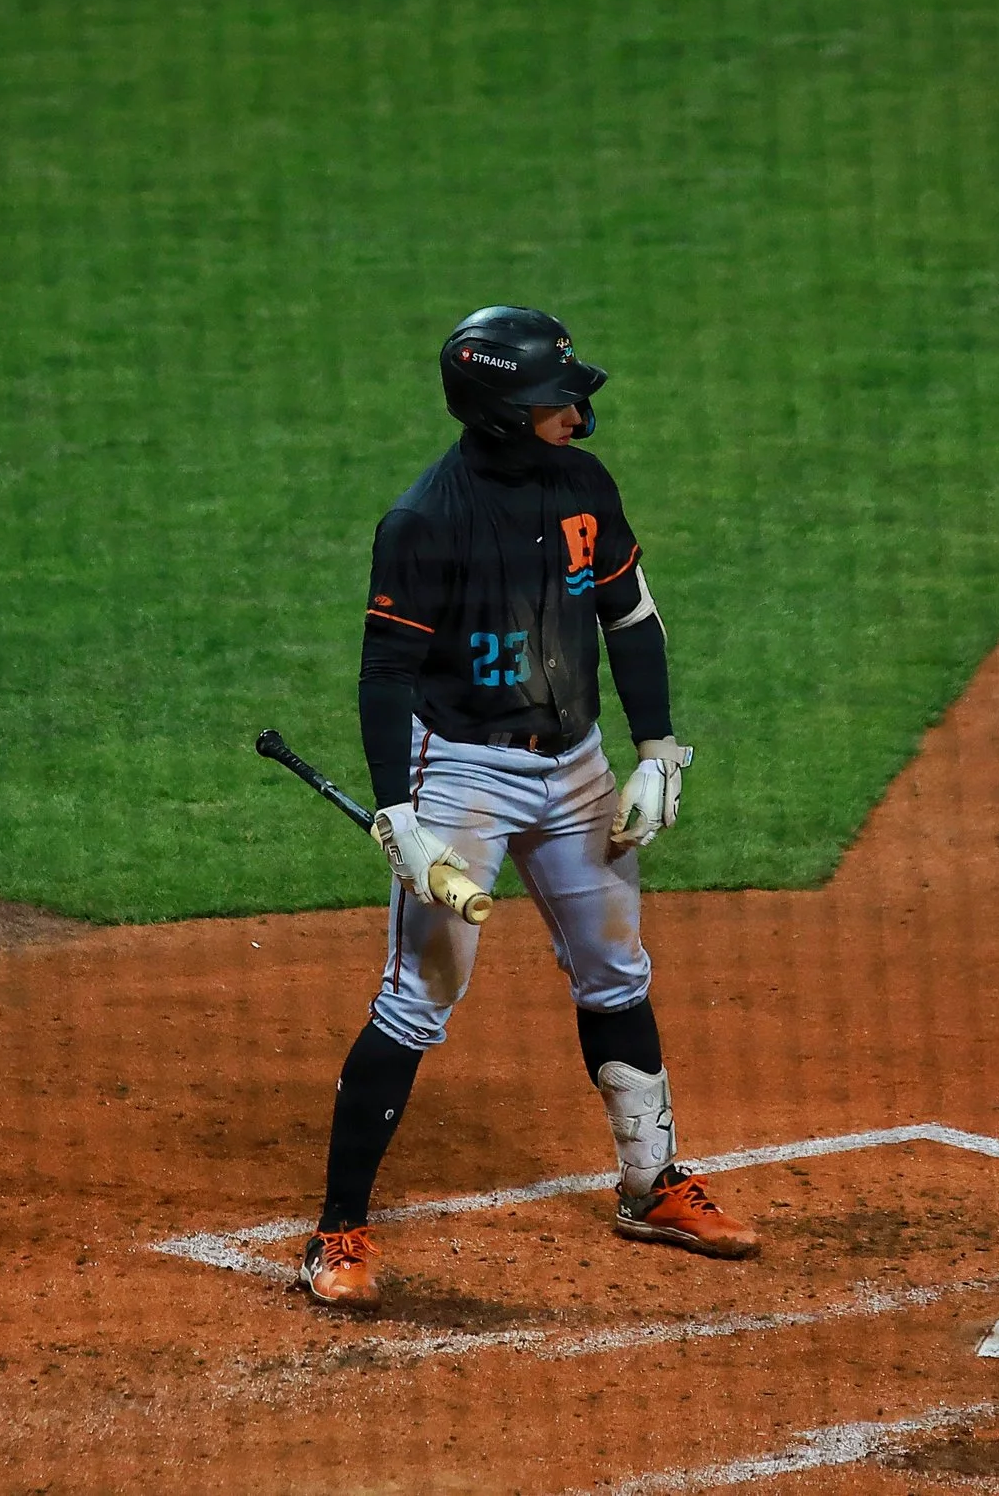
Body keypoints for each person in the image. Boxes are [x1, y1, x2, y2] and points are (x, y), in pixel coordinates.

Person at [298, 306, 759, 1312]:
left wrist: (657, 748)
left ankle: (651, 1185)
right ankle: (335, 1230)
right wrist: (399, 813)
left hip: (578, 763)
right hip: (463, 770)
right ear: (501, 409)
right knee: (418, 997)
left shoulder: (585, 486)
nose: (576, 408)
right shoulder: (426, 519)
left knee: (614, 970)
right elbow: (384, 672)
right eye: (556, 395)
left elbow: (629, 617)